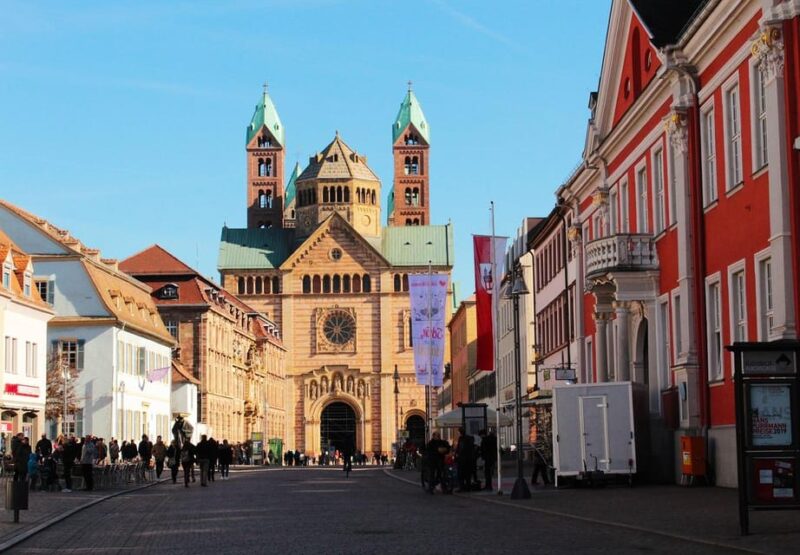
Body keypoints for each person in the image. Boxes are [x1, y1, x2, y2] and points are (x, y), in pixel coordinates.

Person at [455, 427, 475, 492]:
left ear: (460, 432)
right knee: (467, 474)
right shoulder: (469, 438)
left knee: (461, 474)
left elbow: (460, 449)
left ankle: (462, 487)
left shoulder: (461, 439)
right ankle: (468, 487)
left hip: (462, 459)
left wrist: (457, 454)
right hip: (469, 459)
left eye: (458, 432)